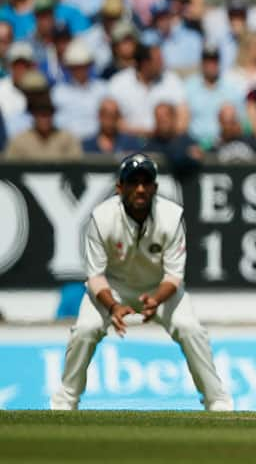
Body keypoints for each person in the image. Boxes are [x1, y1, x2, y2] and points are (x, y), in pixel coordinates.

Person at [50, 154, 233, 411]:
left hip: (159, 288)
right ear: (119, 187)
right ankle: (65, 402)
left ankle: (217, 401)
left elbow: (174, 275)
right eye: (133, 182)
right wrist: (113, 307)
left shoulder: (171, 216)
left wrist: (156, 299)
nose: (140, 188)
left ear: (155, 188)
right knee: (85, 330)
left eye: (146, 182)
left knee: (189, 328)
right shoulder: (101, 218)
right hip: (113, 288)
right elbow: (95, 277)